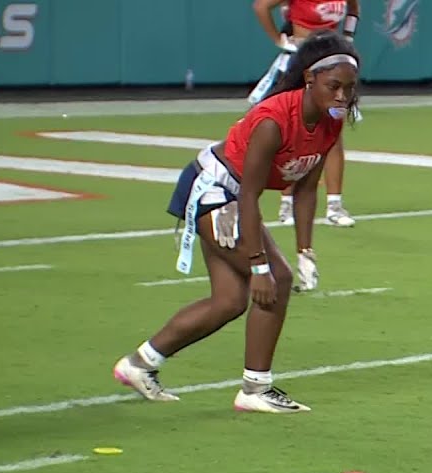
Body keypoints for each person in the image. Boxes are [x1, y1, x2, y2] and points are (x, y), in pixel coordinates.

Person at [112, 32, 359, 412]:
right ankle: (255, 389)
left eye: (350, 88)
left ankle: (140, 364)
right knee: (275, 279)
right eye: (334, 86)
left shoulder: (331, 121)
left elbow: (306, 189)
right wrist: (259, 265)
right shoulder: (273, 120)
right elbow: (248, 194)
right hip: (214, 188)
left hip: (234, 192)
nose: (343, 96)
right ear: (309, 79)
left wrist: (305, 250)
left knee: (228, 301)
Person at [254, 0, 360, 250]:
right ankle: (286, 203)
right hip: (302, 62)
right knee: (293, 132)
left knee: (333, 133)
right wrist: (280, 40)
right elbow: (261, 6)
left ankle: (334, 205)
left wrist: (347, 37)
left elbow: (354, 11)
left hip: (331, 65)